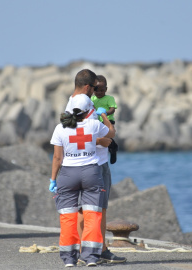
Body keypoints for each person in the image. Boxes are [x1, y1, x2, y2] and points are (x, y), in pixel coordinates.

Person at [65, 70, 126, 264]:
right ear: (87, 87)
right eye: (94, 88)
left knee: (94, 209)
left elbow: (73, 132)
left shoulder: (72, 103)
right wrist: (104, 141)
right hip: (94, 163)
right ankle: (94, 250)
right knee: (94, 209)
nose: (96, 93)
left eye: (101, 89)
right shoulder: (82, 103)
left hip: (91, 162)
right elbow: (82, 135)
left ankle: (94, 249)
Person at [50, 93, 116, 267]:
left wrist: (53, 180)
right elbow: (111, 133)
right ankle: (91, 257)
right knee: (93, 215)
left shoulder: (60, 128)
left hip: (67, 175)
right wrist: (103, 115)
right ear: (89, 110)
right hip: (91, 174)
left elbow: (57, 158)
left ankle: (69, 259)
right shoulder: (94, 125)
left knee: (67, 218)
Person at [91, 75, 119, 164]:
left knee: (107, 135)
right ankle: (109, 149)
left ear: (106, 89)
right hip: (97, 121)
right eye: (96, 90)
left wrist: (105, 113)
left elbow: (112, 109)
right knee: (99, 138)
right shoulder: (92, 98)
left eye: (102, 90)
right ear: (93, 89)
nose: (99, 92)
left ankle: (113, 148)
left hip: (108, 120)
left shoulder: (109, 98)